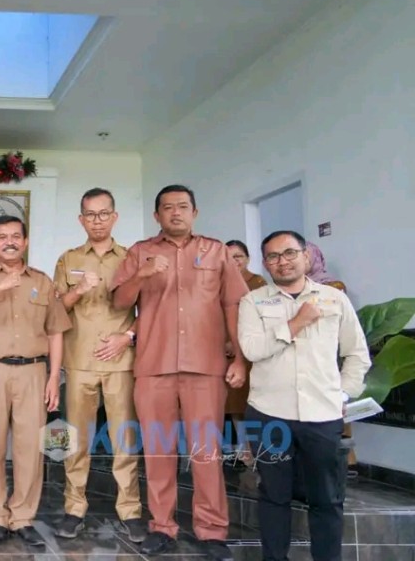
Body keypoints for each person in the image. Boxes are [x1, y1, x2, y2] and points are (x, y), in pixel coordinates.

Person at [111, 185, 249, 561]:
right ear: (156, 215)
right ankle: (162, 527)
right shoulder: (140, 251)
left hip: (205, 367)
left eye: (183, 206)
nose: (176, 213)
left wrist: (239, 358)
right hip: (153, 366)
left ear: (194, 212)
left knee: (206, 453)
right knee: (159, 451)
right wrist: (141, 275)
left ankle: (212, 531)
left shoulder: (216, 251)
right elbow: (120, 301)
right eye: (168, 207)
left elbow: (233, 304)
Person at [238, 230, 370, 561]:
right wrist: (296, 323)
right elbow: (252, 349)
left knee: (327, 498)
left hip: (322, 415)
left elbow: (357, 354)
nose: (282, 261)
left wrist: (343, 394)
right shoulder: (253, 301)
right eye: (273, 256)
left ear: (305, 256)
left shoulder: (334, 299)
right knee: (274, 496)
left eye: (289, 253)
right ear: (265, 263)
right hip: (269, 414)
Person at [0, 215, 71, 547]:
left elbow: (55, 331)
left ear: (25, 242)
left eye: (15, 236)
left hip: (33, 372)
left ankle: (23, 517)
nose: (9, 242)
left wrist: (54, 376)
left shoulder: (43, 281)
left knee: (30, 449)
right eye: (2, 237)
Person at [52, 189, 146, 543]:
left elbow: (149, 308)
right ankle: (73, 508)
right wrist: (77, 289)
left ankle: (130, 511)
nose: (97, 221)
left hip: (121, 362)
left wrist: (128, 337)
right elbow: (56, 309)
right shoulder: (69, 258)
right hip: (79, 361)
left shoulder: (133, 258)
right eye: (90, 215)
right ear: (81, 220)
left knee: (125, 440)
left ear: (114, 217)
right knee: (74, 439)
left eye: (104, 213)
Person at [224, 240, 268, 465]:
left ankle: (256, 450)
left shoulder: (257, 283)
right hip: (224, 350)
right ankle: (243, 448)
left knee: (248, 401)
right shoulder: (219, 282)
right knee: (232, 403)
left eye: (239, 256)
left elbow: (262, 319)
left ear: (248, 259)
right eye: (229, 257)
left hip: (249, 351)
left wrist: (238, 343)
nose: (234, 261)